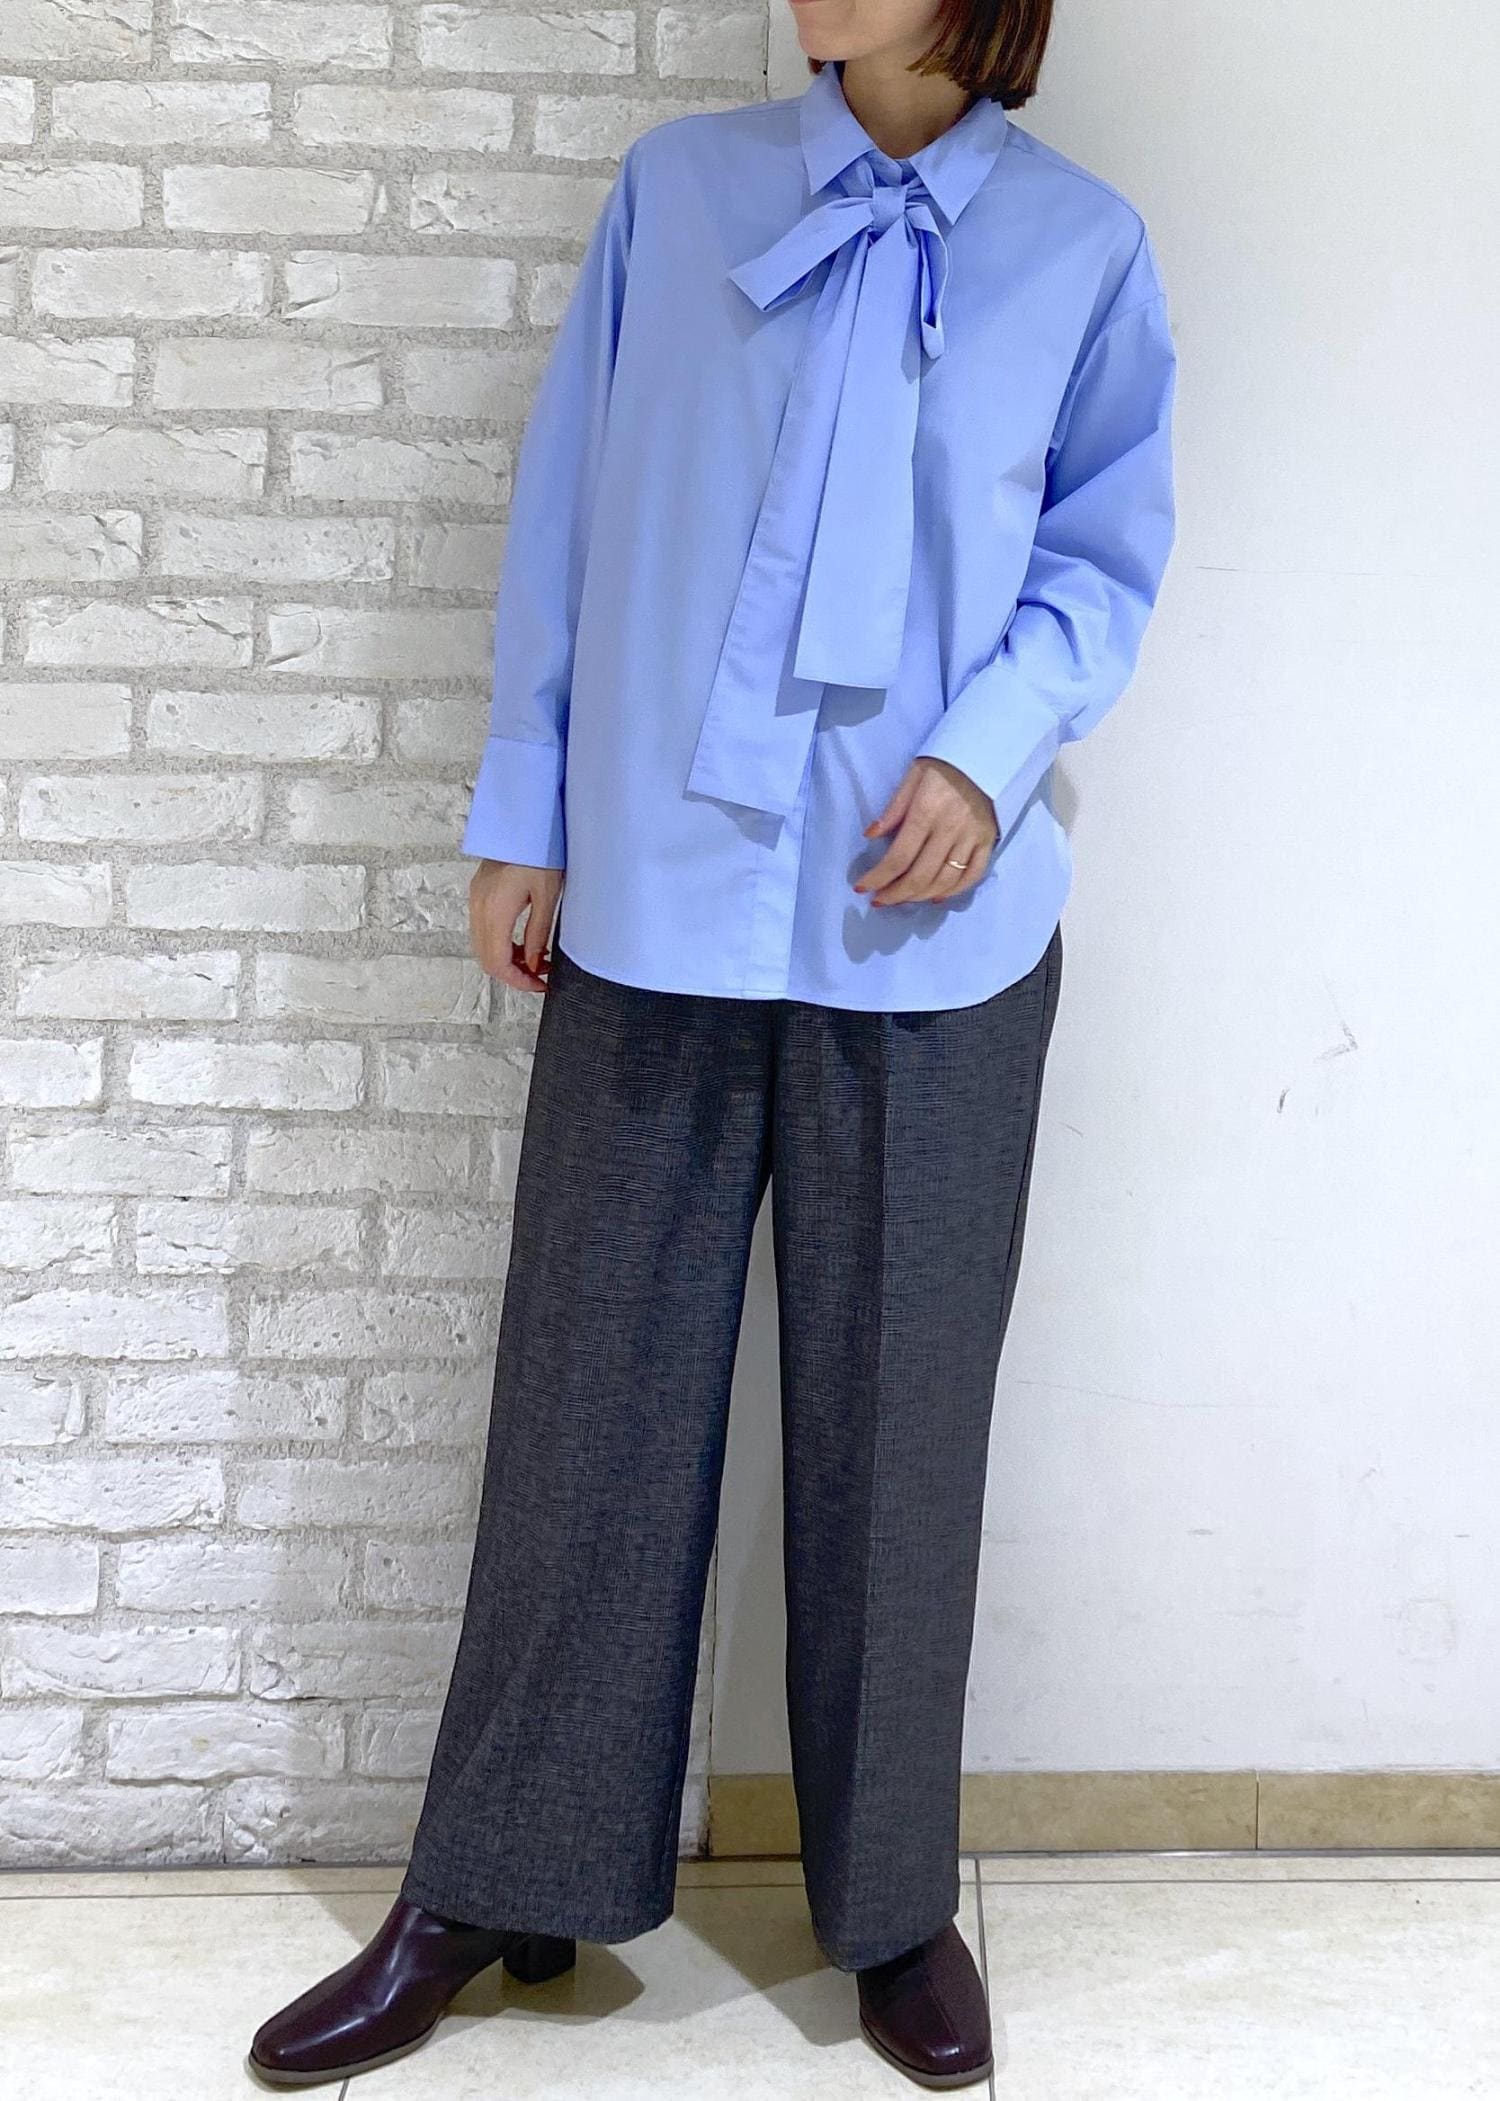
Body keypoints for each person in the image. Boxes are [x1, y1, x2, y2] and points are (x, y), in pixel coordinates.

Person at [247, 0, 1176, 2087]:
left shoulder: (1085, 251)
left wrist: (987, 748)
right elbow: (570, 510)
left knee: (899, 1441)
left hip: (926, 924)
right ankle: (496, 1881)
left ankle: (894, 1906)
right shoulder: (678, 197)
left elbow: (1103, 561)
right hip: (660, 893)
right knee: (587, 1406)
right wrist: (522, 806)